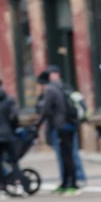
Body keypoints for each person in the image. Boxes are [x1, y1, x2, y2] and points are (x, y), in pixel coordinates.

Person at [36, 65, 84, 194]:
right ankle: (66, 182)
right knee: (67, 155)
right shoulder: (62, 87)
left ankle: (72, 183)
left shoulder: (50, 90)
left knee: (66, 156)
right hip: (70, 124)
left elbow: (46, 110)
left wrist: (37, 124)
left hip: (61, 126)